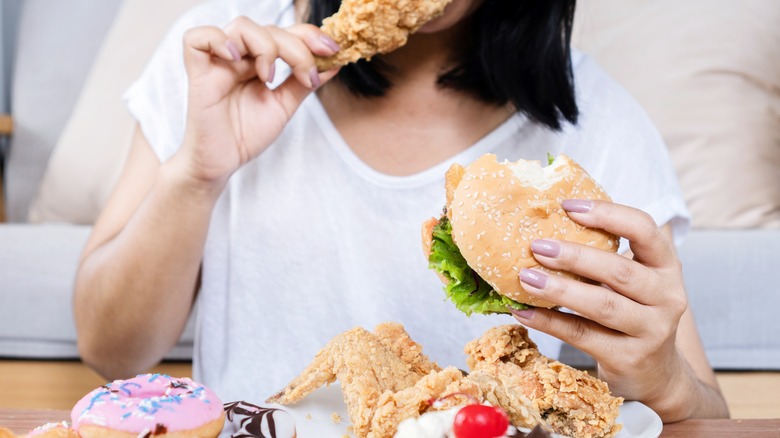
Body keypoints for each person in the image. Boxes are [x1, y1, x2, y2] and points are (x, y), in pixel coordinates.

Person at [73, 0, 729, 422]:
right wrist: (197, 173)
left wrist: (667, 383)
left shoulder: (601, 125)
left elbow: (704, 413)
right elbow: (111, 351)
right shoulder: (218, 54)